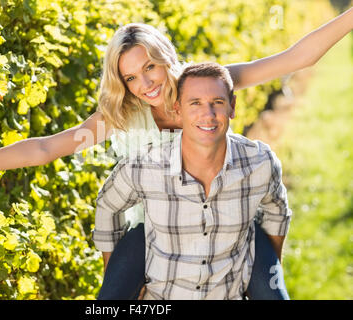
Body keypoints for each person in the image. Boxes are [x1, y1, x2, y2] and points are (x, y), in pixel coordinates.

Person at [0, 8, 352, 300]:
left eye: (150, 67)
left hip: (227, 222)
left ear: (165, 57)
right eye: (133, 77)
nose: (146, 84)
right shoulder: (123, 115)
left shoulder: (208, 84)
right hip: (155, 232)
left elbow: (298, 57)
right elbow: (43, 148)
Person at [93, 62, 291, 299]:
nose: (207, 115)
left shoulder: (259, 162)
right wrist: (114, 273)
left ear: (232, 107)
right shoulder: (145, 166)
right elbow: (107, 205)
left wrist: (265, 273)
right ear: (178, 110)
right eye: (195, 103)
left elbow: (276, 211)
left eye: (217, 102)